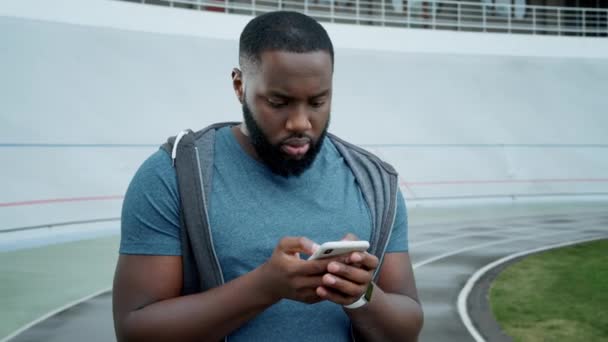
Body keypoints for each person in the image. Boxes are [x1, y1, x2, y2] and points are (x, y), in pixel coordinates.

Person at [112, 11, 423, 341]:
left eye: (318, 101)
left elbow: (407, 330)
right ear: (239, 85)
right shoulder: (173, 176)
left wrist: (362, 295)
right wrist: (263, 288)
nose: (300, 122)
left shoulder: (374, 183)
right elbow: (135, 331)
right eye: (279, 102)